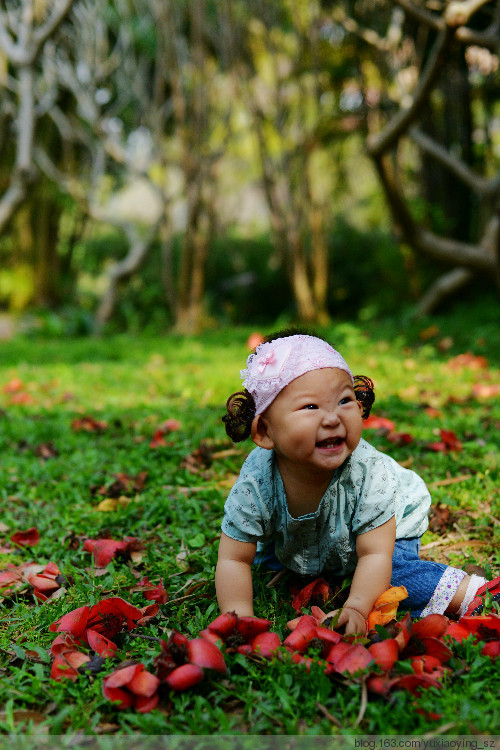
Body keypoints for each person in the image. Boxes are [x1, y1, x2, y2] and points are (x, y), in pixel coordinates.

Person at [215, 330, 499, 634]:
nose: (332, 418)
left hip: (387, 530)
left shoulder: (368, 471)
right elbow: (234, 559)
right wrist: (239, 619)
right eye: (311, 407)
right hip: (309, 537)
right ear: (265, 432)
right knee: (263, 564)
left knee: (391, 580)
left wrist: (357, 608)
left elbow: (375, 553)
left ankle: (478, 592)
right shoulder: (256, 481)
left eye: (344, 400)